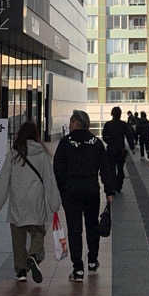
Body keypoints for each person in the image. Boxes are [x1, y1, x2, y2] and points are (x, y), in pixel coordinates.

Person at [0, 120, 61, 282]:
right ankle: (34, 256)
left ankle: (21, 270)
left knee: (18, 237)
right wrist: (54, 203)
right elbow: (49, 181)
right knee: (38, 232)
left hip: (17, 202)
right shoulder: (42, 155)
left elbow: (3, 181)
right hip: (35, 202)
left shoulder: (13, 154)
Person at [53, 110, 115, 280]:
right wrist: (109, 191)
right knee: (92, 226)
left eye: (71, 121)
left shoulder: (66, 142)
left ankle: (78, 269)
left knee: (75, 229)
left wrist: (62, 188)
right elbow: (105, 169)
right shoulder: (96, 142)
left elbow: (57, 169)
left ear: (74, 123)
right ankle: (93, 261)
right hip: (91, 191)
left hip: (71, 192)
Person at [101, 105, 135, 192]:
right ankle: (119, 186)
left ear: (112, 114)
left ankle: (112, 186)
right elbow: (129, 136)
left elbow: (104, 136)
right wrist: (132, 147)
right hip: (121, 150)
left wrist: (109, 142)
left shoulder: (108, 124)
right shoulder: (123, 124)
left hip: (111, 150)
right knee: (120, 169)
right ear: (120, 114)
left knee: (111, 169)